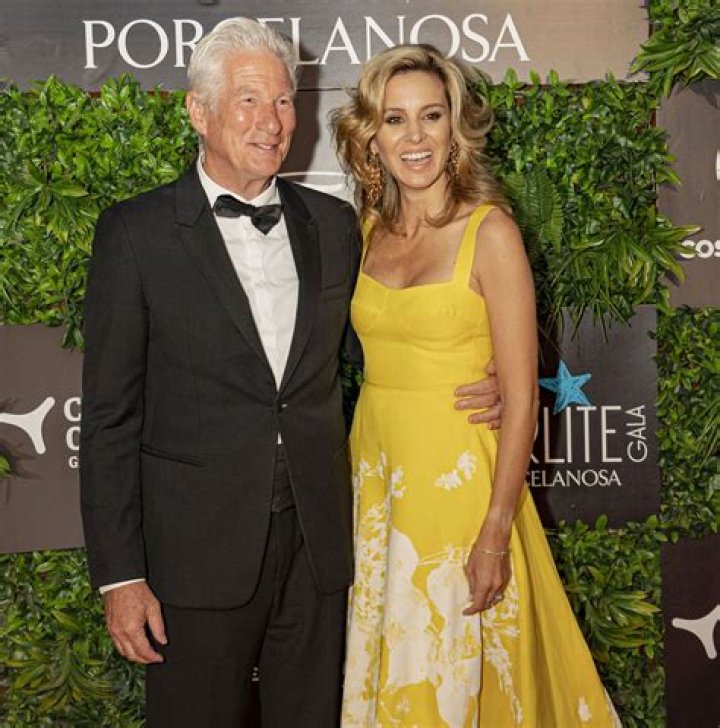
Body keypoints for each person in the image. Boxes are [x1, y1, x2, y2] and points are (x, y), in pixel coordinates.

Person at [80, 20, 500, 727]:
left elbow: (389, 342)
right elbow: (108, 421)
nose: (271, 122)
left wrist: (490, 380)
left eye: (282, 101)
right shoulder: (135, 234)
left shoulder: (333, 225)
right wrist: (121, 577)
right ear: (199, 111)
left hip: (319, 550)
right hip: (195, 558)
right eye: (248, 100)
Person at [331, 44, 622, 727]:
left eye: (431, 116)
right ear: (371, 135)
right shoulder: (365, 231)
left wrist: (495, 532)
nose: (415, 137)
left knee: (457, 668)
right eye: (395, 119)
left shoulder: (491, 233)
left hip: (461, 488)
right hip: (376, 483)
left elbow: (521, 398)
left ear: (455, 127)